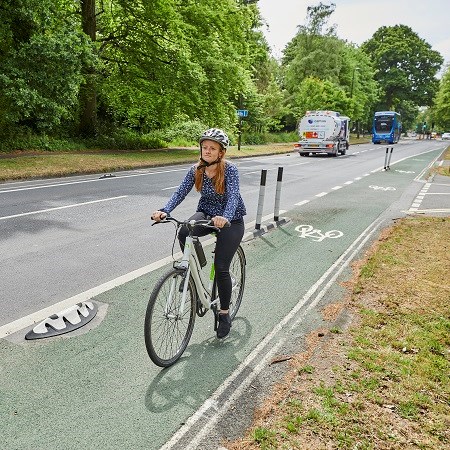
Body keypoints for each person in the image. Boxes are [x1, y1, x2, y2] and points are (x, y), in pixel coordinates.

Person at [151, 128, 246, 339]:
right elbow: (180, 192)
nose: (208, 151)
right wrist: (164, 210)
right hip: (206, 213)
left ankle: (224, 314)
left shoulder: (230, 169)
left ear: (221, 152)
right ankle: (194, 268)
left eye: (213, 148)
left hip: (231, 220)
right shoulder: (196, 169)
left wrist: (226, 217)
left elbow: (233, 197)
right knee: (184, 231)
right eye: (205, 147)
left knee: (221, 267)